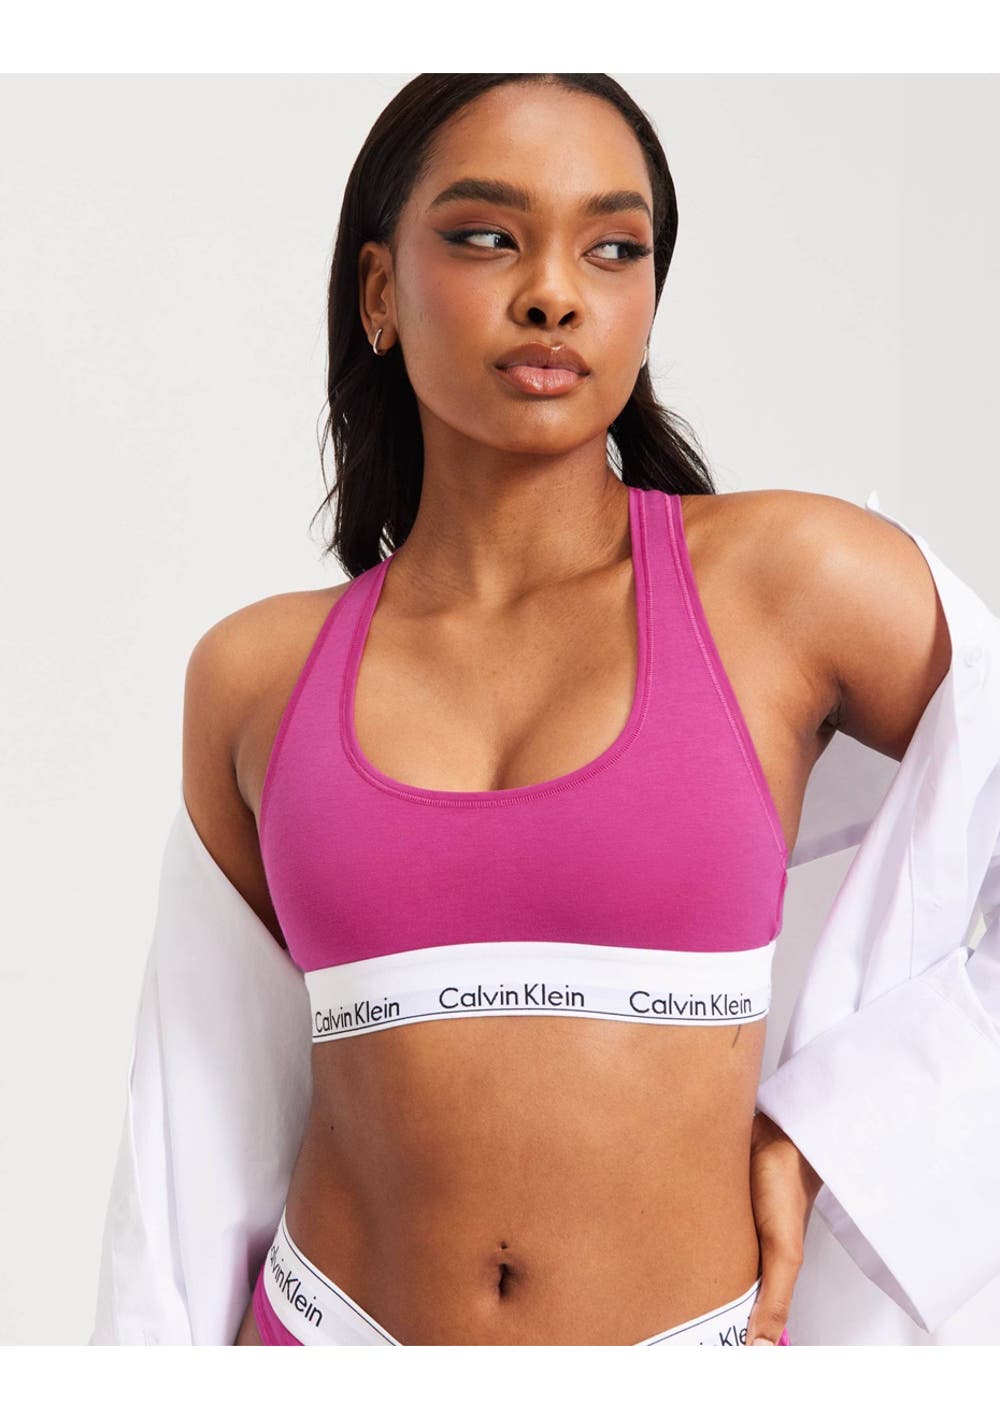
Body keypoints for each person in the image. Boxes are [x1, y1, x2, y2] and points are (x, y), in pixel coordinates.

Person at [91, 74, 1000, 1348]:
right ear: (376, 292)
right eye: (486, 236)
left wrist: (845, 1132)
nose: (555, 293)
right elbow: (188, 1142)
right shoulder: (256, 676)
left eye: (612, 248)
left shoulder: (794, 586)